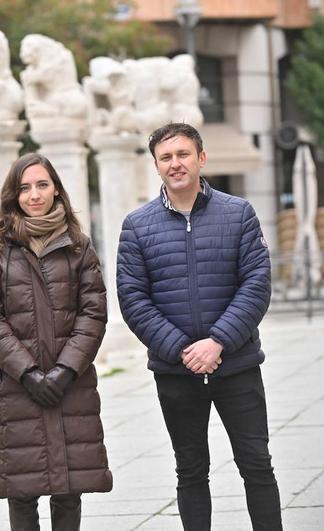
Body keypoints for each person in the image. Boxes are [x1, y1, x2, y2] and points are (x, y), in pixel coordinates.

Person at [116, 122, 282, 531]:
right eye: (166, 157)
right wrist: (183, 350)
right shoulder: (137, 226)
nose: (176, 164)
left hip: (237, 364)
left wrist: (218, 342)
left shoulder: (239, 213)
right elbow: (133, 299)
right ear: (156, 166)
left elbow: (257, 285)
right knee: (190, 471)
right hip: (176, 371)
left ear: (201, 158)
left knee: (257, 465)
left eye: (183, 154)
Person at [0, 153, 112, 530]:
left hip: (72, 384)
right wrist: (28, 372)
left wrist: (66, 370)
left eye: (42, 185)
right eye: (25, 187)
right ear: (13, 195)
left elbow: (93, 312)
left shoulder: (78, 245)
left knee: (69, 488)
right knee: (22, 488)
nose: (34, 195)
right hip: (18, 387)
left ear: (56, 190)